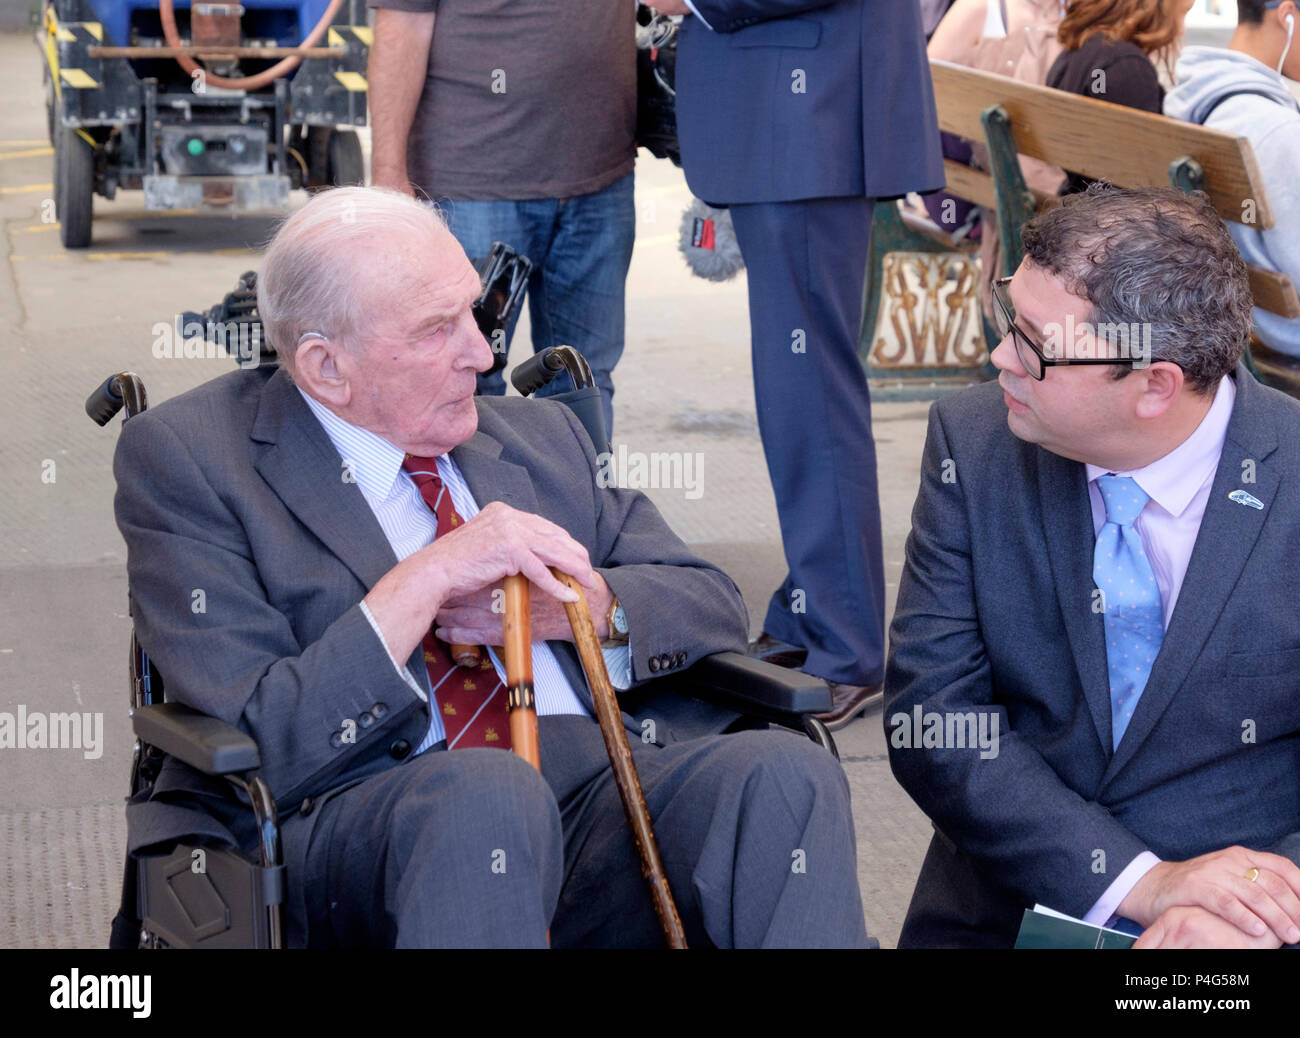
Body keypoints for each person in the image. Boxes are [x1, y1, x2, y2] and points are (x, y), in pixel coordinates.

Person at [113, 187, 870, 949]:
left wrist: (587, 607)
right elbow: (261, 735)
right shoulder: (194, 462)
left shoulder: (539, 438)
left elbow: (708, 602)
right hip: (353, 820)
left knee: (781, 774)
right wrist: (425, 579)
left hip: (590, 797)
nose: (481, 353)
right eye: (439, 329)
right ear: (326, 367)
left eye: (474, 313)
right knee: (486, 797)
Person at [884, 184, 1300, 949]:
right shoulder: (972, 445)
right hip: (1009, 902)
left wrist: (1263, 907)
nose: (998, 355)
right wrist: (1141, 884)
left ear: (1155, 384)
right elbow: (933, 716)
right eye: (1012, 315)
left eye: (1036, 342)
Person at [656, 0, 945, 730]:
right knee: (798, 394)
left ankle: (841, 643)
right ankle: (812, 611)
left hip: (805, 113)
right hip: (796, 109)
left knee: (809, 395)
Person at [365, 0, 636, 435]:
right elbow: (402, 26)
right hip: (474, 186)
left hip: (600, 178)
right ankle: (470, 504)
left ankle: (583, 503)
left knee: (584, 379)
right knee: (465, 377)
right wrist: (388, 176)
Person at [1164, 0, 1300, 358]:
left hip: (1224, 307)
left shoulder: (1191, 97)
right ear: (1287, 15)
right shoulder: (1278, 130)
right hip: (1281, 329)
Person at [1047, 0, 1195, 193]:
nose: (1182, 29)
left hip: (1081, 206)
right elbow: (1144, 178)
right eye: (1182, 14)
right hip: (1119, 216)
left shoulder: (1076, 51)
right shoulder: (1126, 66)